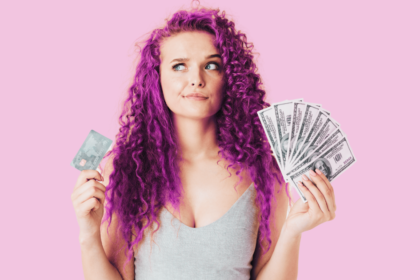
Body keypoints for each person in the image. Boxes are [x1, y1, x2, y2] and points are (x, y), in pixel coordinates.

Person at [71, 2, 337, 280]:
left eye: (211, 65)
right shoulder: (126, 167)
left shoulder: (264, 169)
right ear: (157, 77)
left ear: (231, 77)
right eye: (179, 66)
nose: (196, 79)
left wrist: (293, 232)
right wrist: (87, 234)